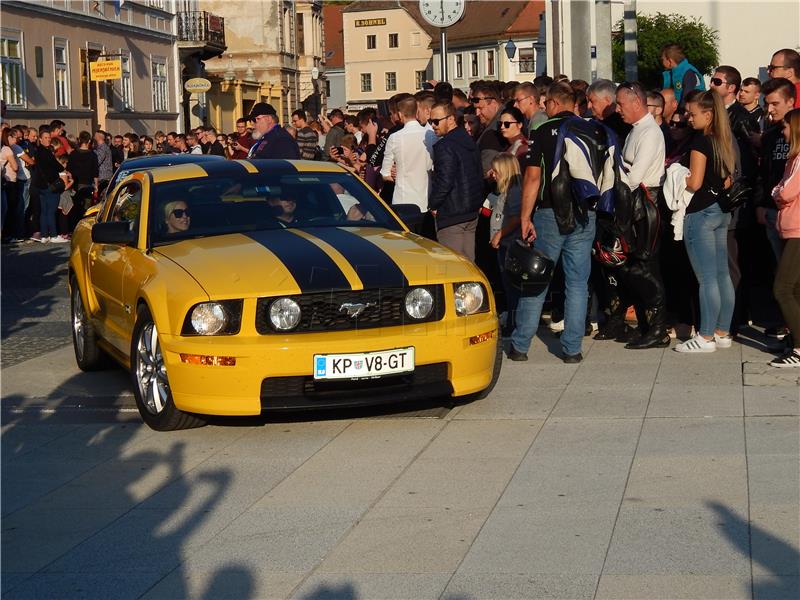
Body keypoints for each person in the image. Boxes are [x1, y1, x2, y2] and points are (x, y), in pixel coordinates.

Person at [511, 82, 599, 363]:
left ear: (553, 104)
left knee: (537, 277)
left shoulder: (542, 131)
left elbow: (533, 177)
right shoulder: (592, 129)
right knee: (577, 282)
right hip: (585, 212)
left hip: (550, 212)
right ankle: (572, 348)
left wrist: (525, 216)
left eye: (546, 103)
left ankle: (520, 344)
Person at [674, 91, 736, 353]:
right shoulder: (725, 140)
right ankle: (723, 331)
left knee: (706, 278)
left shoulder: (700, 143)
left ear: (708, 114)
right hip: (721, 211)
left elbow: (695, 182)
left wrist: (677, 175)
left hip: (700, 213)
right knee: (722, 275)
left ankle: (706, 336)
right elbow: (728, 180)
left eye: (693, 114)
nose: (689, 118)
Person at [614, 81, 669, 349]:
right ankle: (648, 326)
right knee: (636, 265)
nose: (618, 110)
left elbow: (634, 177)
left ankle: (658, 329)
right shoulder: (635, 130)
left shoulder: (649, 132)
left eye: (621, 104)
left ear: (636, 102)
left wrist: (617, 172)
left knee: (646, 268)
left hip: (648, 204)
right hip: (636, 203)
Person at [427, 101, 483, 260]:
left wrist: (434, 204)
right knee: (468, 263)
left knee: (453, 265)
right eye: (431, 121)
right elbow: (479, 173)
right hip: (470, 211)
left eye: (436, 121)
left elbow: (444, 180)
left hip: (452, 213)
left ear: (450, 119)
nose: (433, 125)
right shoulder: (467, 139)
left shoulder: (445, 146)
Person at [768, 108, 800, 367]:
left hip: (799, 231)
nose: (782, 131)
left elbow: (785, 192)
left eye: (786, 127)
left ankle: (799, 348)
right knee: (795, 290)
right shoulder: (793, 158)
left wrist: (777, 192)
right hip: (790, 228)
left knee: (783, 288)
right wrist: (778, 191)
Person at [756, 78, 796, 261]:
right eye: (767, 104)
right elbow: (764, 172)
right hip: (772, 212)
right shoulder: (770, 135)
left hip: (795, 216)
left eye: (775, 104)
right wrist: (761, 204)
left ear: (790, 102)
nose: (770, 109)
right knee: (780, 270)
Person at [380, 96, 435, 213]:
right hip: (426, 199)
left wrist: (397, 174)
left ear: (400, 114)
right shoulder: (431, 135)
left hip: (402, 200)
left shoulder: (394, 137)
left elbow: (385, 174)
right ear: (417, 112)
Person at [489, 153, 523, 334]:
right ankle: (512, 321)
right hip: (505, 244)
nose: (492, 174)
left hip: (511, 244)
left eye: (495, 171)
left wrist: (499, 235)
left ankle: (515, 324)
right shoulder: (505, 190)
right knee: (509, 287)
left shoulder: (514, 191)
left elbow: (516, 218)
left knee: (513, 288)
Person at [587, 79, 631, 144]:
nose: (589, 106)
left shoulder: (622, 127)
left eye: (592, 101)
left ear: (607, 100)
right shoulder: (591, 122)